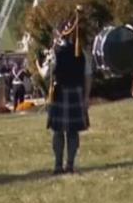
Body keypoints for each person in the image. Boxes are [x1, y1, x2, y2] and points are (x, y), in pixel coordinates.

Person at [38, 11, 93, 174]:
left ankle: (58, 165)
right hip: (76, 93)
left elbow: (45, 74)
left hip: (60, 93)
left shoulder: (55, 52)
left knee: (58, 132)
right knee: (73, 131)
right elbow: (88, 76)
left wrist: (39, 64)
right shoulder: (82, 52)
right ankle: (69, 165)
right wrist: (86, 97)